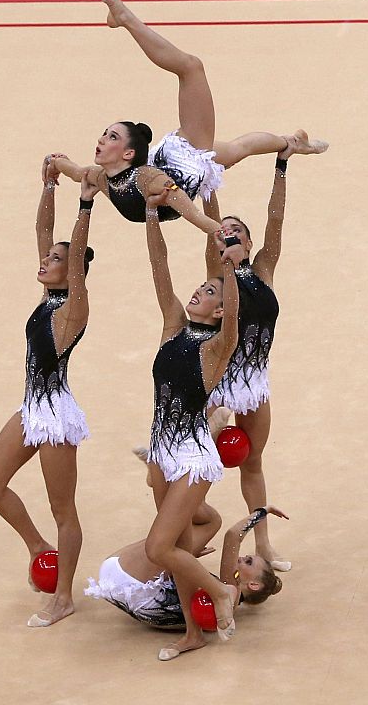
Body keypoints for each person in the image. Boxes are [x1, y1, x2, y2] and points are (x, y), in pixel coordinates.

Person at [44, 0, 327, 233]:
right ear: (128, 154)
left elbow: (78, 171)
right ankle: (293, 144)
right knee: (203, 89)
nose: (101, 139)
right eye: (109, 136)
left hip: (177, 157)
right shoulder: (131, 179)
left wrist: (56, 163)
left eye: (110, 136)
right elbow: (191, 214)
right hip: (181, 160)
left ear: (129, 154)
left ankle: (292, 144)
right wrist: (221, 233)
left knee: (203, 88)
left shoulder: (121, 178)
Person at [0, 159, 98, 625]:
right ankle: (36, 545)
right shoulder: (50, 296)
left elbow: (76, 250)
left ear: (76, 274)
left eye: (56, 261)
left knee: (63, 509)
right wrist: (49, 186)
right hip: (32, 407)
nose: (45, 262)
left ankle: (63, 596)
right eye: (46, 259)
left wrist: (85, 203)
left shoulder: (73, 308)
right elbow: (43, 228)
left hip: (57, 417)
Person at [133, 189, 246, 660]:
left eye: (210, 292)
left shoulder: (216, 347)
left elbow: (235, 316)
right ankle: (192, 635)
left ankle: (221, 592)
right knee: (177, 544)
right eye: (201, 287)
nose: (201, 290)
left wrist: (230, 270)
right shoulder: (173, 326)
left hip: (193, 456)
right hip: (161, 450)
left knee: (160, 547)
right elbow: (160, 273)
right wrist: (150, 217)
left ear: (218, 310)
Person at [203, 148, 300, 572]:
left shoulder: (263, 269)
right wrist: (207, 182)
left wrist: (281, 167)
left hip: (254, 380)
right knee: (197, 460)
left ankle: (262, 542)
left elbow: (274, 221)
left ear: (249, 241)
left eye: (236, 231)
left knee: (254, 462)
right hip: (220, 378)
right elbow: (212, 220)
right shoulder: (216, 267)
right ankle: (190, 527)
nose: (228, 234)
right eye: (222, 230)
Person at [85, 504, 288, 661]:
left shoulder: (230, 593)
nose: (242, 558)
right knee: (180, 535)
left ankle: (175, 480)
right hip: (124, 587)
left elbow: (232, 536)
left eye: (249, 562)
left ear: (253, 585)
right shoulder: (220, 596)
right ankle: (176, 484)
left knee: (210, 522)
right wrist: (185, 559)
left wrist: (263, 511)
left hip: (129, 584)